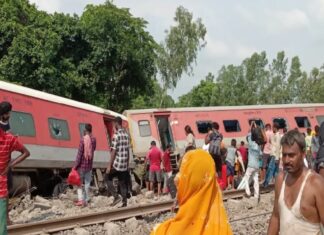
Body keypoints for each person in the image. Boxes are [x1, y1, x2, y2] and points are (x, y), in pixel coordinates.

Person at [150, 149, 232, 235]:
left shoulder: (161, 232)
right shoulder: (222, 228)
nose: (177, 179)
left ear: (189, 183)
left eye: (183, 173)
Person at [267, 129, 324, 235]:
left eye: (291, 155)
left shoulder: (315, 183)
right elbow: (276, 217)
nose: (286, 160)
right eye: (284, 155)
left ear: (303, 154)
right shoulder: (280, 180)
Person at [0, 101, 30, 234]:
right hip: (4, 163)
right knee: (4, 192)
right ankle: (5, 218)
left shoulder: (6, 125)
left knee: (6, 190)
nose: (10, 115)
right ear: (4, 114)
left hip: (6, 161)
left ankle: (6, 218)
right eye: (9, 112)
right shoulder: (4, 127)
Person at [105, 116, 130, 207]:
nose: (113, 125)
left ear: (116, 123)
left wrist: (109, 165)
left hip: (118, 164)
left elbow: (113, 152)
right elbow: (128, 151)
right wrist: (127, 164)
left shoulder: (116, 135)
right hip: (124, 165)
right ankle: (124, 203)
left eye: (113, 123)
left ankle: (116, 197)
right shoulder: (126, 135)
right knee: (122, 182)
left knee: (107, 177)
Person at [74, 123, 96, 206]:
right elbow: (93, 150)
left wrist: (75, 166)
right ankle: (86, 200)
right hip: (89, 165)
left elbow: (79, 154)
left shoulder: (82, 140)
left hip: (81, 166)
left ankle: (80, 200)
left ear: (85, 130)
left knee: (79, 183)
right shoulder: (94, 140)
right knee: (87, 183)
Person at [242, 124, 261, 201]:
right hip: (257, 165)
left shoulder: (251, 143)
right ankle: (256, 195)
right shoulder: (258, 145)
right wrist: (255, 127)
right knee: (256, 179)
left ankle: (248, 192)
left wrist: (251, 126)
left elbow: (249, 134)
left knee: (246, 178)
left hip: (251, 164)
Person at [263, 122, 281, 187]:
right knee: (275, 171)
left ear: (275, 128)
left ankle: (266, 183)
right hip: (273, 154)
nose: (272, 129)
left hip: (275, 155)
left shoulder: (278, 136)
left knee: (270, 169)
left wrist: (277, 158)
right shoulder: (274, 135)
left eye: (273, 127)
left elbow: (278, 147)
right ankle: (277, 184)